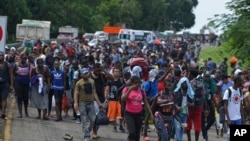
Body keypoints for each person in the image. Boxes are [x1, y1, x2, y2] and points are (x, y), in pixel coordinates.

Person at [73, 68, 103, 141]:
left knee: (93, 119)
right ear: (81, 75)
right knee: (84, 120)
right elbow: (76, 93)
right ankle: (86, 136)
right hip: (82, 103)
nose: (87, 75)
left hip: (91, 103)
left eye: (87, 73)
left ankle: (87, 130)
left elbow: (94, 93)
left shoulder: (92, 81)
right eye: (85, 73)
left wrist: (99, 103)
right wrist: (76, 103)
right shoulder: (79, 83)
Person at [121, 76, 154, 141]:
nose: (137, 85)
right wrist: (130, 89)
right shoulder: (126, 89)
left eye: (138, 83)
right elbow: (123, 99)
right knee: (132, 133)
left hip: (139, 114)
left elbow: (146, 102)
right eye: (135, 83)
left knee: (137, 135)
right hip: (129, 114)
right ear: (132, 83)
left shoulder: (141, 91)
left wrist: (151, 113)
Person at [91, 63, 114, 139]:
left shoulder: (102, 75)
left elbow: (112, 78)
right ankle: (94, 132)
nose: (98, 71)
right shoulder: (90, 76)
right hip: (93, 99)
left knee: (99, 118)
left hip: (102, 99)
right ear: (94, 68)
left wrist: (103, 70)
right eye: (97, 69)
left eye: (99, 69)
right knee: (94, 117)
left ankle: (95, 132)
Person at [186, 69, 205, 141]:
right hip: (198, 107)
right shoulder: (201, 83)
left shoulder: (189, 83)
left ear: (191, 75)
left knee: (188, 124)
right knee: (197, 126)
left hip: (189, 106)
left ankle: (189, 139)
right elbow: (203, 96)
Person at [223, 76, 245, 141]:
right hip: (231, 118)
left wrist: (243, 117)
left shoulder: (240, 91)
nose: (242, 83)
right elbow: (225, 105)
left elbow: (240, 105)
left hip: (238, 118)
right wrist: (228, 118)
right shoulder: (228, 91)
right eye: (240, 81)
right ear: (237, 82)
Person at [105, 67, 126, 133]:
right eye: (115, 71)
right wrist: (106, 98)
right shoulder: (110, 80)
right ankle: (115, 126)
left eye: (118, 71)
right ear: (113, 72)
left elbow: (124, 90)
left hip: (120, 100)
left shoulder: (121, 80)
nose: (117, 73)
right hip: (112, 100)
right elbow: (107, 89)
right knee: (112, 115)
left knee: (121, 114)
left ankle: (121, 126)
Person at [174, 77, 194, 141]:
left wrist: (190, 104)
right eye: (183, 83)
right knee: (178, 127)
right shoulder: (177, 92)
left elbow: (193, 103)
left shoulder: (189, 93)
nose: (185, 84)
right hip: (177, 113)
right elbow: (172, 102)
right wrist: (177, 107)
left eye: (186, 83)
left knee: (182, 128)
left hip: (185, 113)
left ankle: (179, 139)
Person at [13, 53, 30, 118]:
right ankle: (20, 113)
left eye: (25, 58)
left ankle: (26, 111)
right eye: (23, 58)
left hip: (26, 83)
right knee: (19, 97)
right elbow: (13, 73)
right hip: (18, 83)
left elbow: (30, 73)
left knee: (26, 98)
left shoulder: (28, 65)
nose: (24, 59)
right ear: (21, 58)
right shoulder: (17, 65)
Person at [0, 51, 14, 119]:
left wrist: (11, 85)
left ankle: (3, 112)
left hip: (5, 84)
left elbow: (11, 75)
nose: (0, 57)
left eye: (1, 55)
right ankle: (1, 111)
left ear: (4, 56)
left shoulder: (7, 64)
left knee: (4, 98)